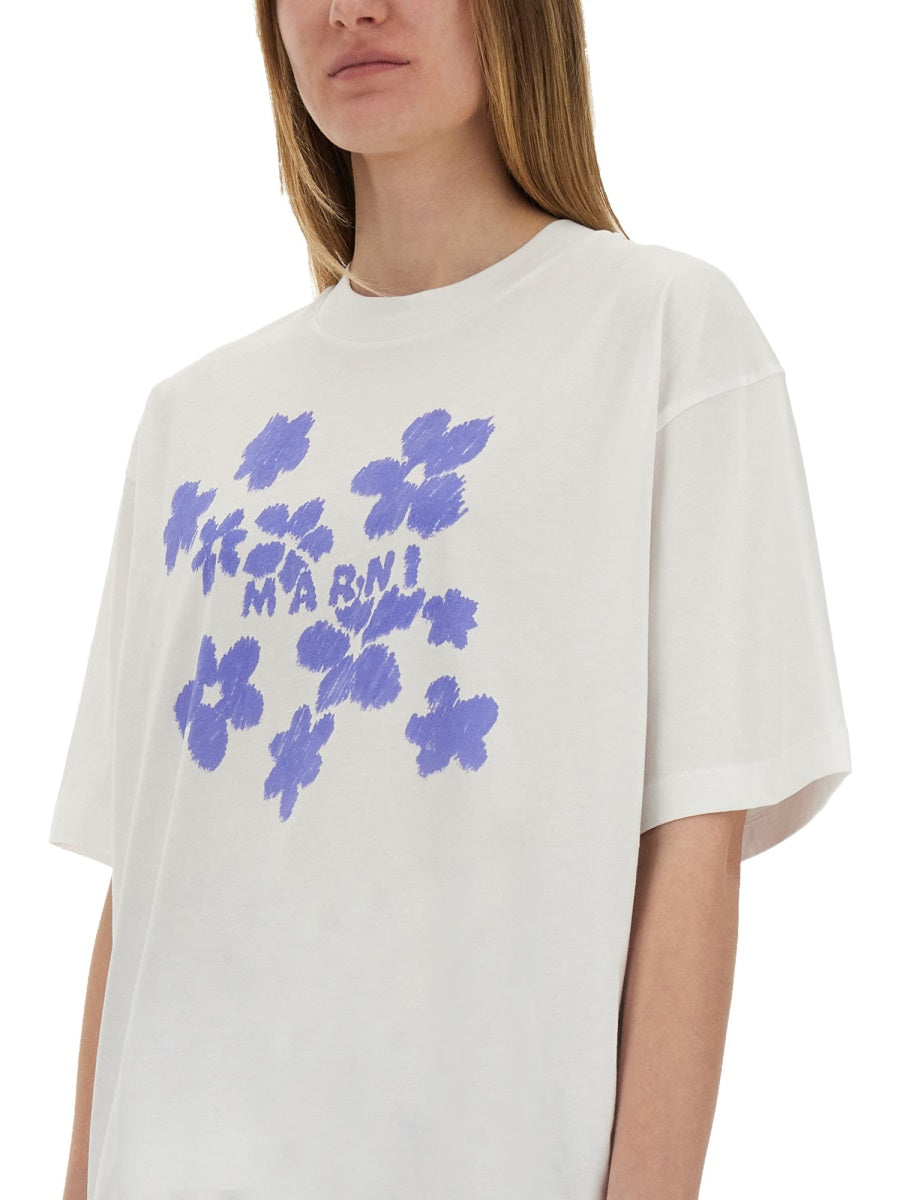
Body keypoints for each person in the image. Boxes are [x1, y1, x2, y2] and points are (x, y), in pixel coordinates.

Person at [48, 1, 853, 1198]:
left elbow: (695, 842)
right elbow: (147, 886)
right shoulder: (191, 420)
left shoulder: (661, 336)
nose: (351, 10)